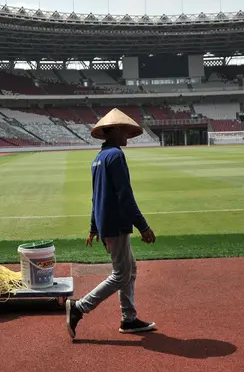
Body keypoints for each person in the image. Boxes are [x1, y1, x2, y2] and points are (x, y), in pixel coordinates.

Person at [66, 108, 157, 339]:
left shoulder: (98, 158)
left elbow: (96, 196)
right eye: (125, 130)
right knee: (120, 274)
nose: (127, 134)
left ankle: (129, 318)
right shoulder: (115, 155)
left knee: (129, 270)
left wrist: (93, 227)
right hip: (116, 223)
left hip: (107, 222)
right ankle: (79, 307)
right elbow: (124, 195)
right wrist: (143, 225)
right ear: (115, 130)